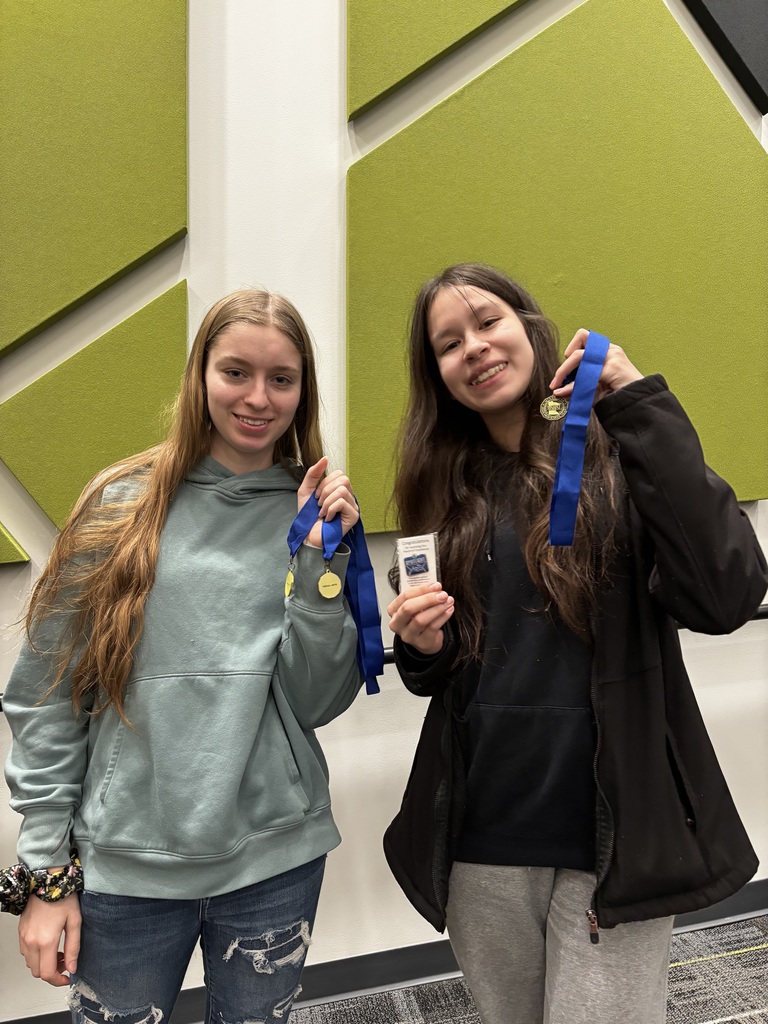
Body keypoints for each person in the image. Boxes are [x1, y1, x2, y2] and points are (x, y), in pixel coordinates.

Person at [384, 263, 767, 1024]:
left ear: (529, 325)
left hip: (609, 834)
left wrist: (640, 402)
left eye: (487, 321)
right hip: (481, 838)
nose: (475, 348)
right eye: (448, 343)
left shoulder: (618, 455)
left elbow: (727, 593)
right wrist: (421, 643)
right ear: (438, 375)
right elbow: (441, 673)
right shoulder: (441, 487)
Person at [3, 290, 364, 1023]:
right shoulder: (118, 504)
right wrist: (45, 874)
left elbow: (318, 700)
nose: (258, 398)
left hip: (275, 864)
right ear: (201, 374)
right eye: (236, 372)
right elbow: (44, 697)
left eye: (281, 379)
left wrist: (324, 574)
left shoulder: (314, 516)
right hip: (126, 872)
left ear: (304, 390)